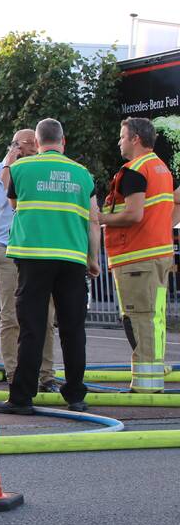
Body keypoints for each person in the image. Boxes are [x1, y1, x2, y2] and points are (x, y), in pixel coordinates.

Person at [0, 118, 99, 415]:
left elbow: (11, 203)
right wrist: (93, 258)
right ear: (63, 142)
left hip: (33, 257)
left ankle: (22, 398)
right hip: (72, 260)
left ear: (37, 144)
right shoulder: (83, 174)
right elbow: (93, 220)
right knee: (73, 328)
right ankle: (76, 395)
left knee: (32, 329)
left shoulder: (21, 169)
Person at [100, 117, 177, 393]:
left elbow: (134, 214)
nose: (119, 142)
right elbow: (173, 203)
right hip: (157, 254)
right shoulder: (160, 168)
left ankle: (145, 385)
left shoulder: (134, 171)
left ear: (135, 138)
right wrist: (161, 229)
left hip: (137, 257)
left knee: (138, 317)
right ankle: (153, 373)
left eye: (122, 137)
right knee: (153, 316)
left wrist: (98, 218)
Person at [0, 129, 59, 392]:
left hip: (38, 250)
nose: (31, 148)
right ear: (13, 146)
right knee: (11, 316)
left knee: (46, 316)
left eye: (33, 144)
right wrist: (8, 165)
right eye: (25, 144)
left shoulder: (40, 170)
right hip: (7, 249)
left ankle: (46, 375)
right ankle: (14, 373)